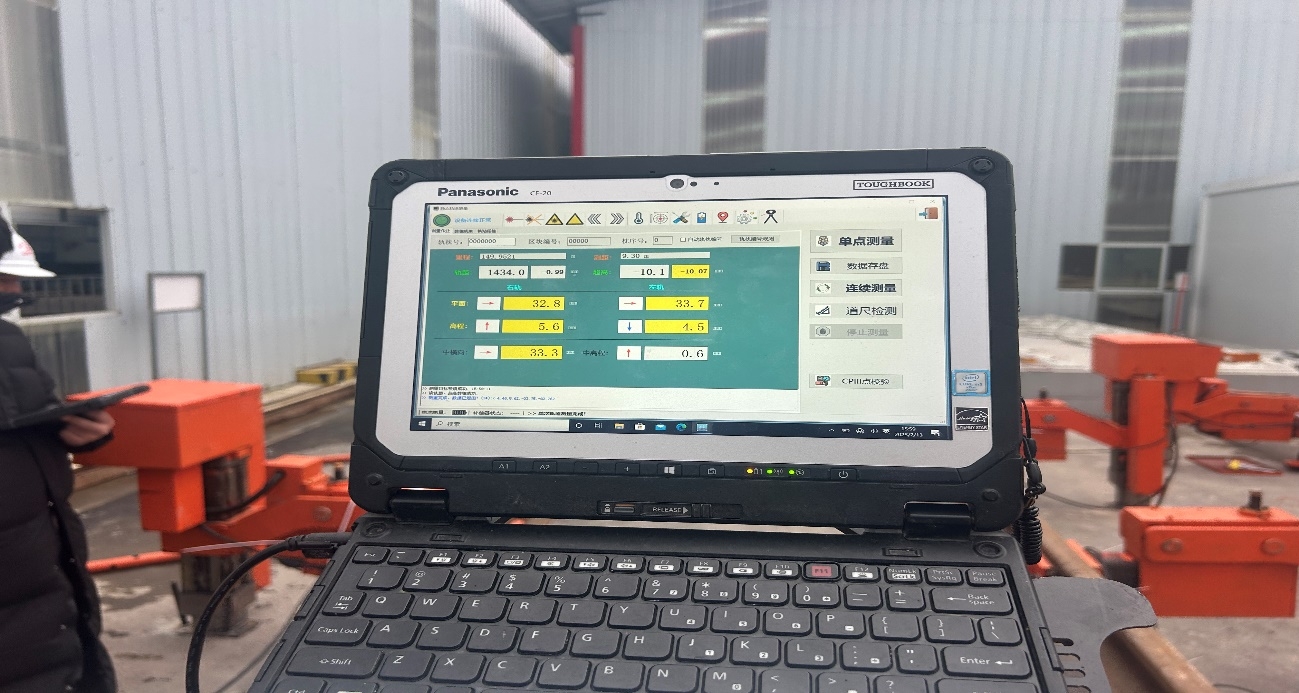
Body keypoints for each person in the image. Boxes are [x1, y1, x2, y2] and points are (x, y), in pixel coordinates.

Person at [0, 209, 117, 693]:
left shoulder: (10, 342)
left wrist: (82, 433)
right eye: (4, 279)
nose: (14, 291)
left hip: (53, 595)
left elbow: (35, 425)